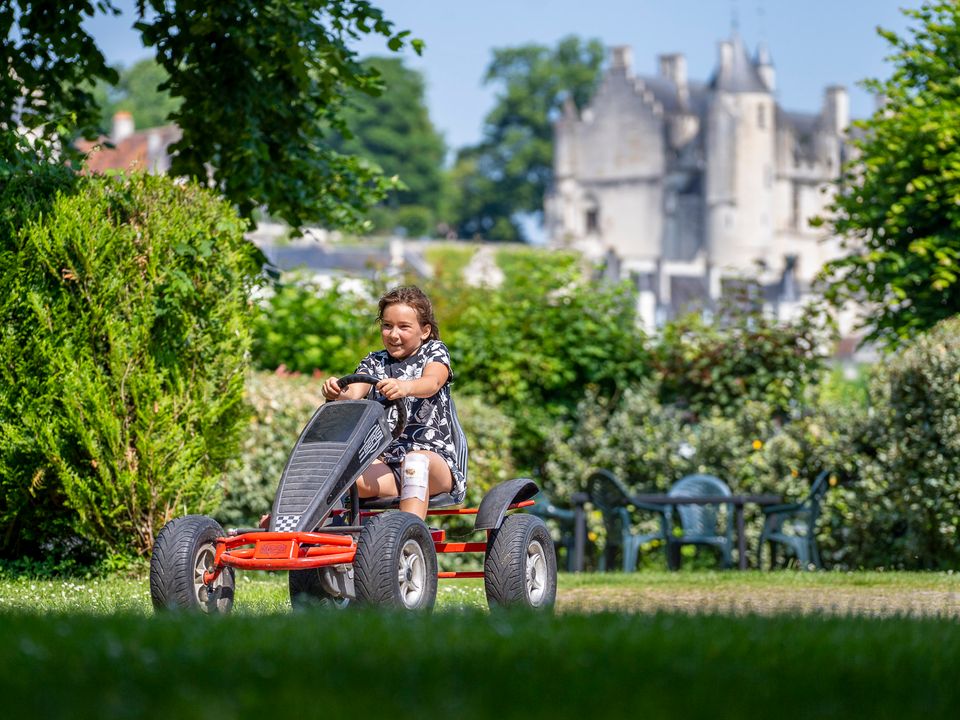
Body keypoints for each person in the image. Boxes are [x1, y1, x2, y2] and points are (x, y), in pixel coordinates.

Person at [320, 285, 467, 520]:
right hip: (386, 466)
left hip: (432, 463)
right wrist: (337, 391)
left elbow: (432, 382)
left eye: (404, 327)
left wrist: (405, 386)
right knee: (334, 472)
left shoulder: (434, 351)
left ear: (425, 330)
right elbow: (354, 392)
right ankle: (301, 531)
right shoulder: (374, 361)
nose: (393, 334)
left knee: (415, 462)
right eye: (387, 326)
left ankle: (407, 539)